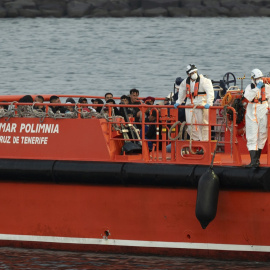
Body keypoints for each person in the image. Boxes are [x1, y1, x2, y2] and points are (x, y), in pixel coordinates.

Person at [174, 64, 214, 142]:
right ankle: (195, 140)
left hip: (202, 105)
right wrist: (178, 102)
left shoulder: (205, 81)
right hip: (189, 105)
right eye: (192, 73)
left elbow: (210, 93)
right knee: (190, 125)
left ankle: (204, 141)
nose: (194, 74)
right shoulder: (185, 82)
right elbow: (182, 92)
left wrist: (209, 103)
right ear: (188, 74)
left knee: (203, 124)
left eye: (195, 72)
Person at [244, 68, 270, 167]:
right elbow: (248, 97)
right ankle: (253, 161)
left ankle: (257, 159)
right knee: (251, 135)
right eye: (257, 78)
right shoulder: (249, 87)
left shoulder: (267, 87)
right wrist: (256, 89)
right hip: (251, 111)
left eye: (260, 78)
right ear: (253, 79)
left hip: (263, 109)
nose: (259, 80)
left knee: (263, 134)